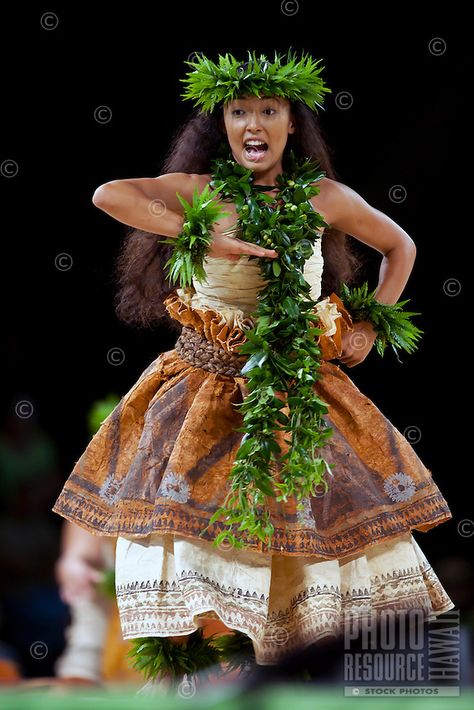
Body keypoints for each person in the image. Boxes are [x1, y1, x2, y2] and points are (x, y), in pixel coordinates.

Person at [51, 51, 454, 681]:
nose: (254, 123)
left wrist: (371, 322)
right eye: (240, 112)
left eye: (269, 110)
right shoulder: (199, 192)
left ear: (292, 124)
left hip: (299, 393)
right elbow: (110, 195)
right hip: (201, 392)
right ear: (224, 125)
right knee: (194, 544)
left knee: (321, 536)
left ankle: (322, 674)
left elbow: (400, 246)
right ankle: (202, 678)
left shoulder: (324, 198)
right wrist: (199, 233)